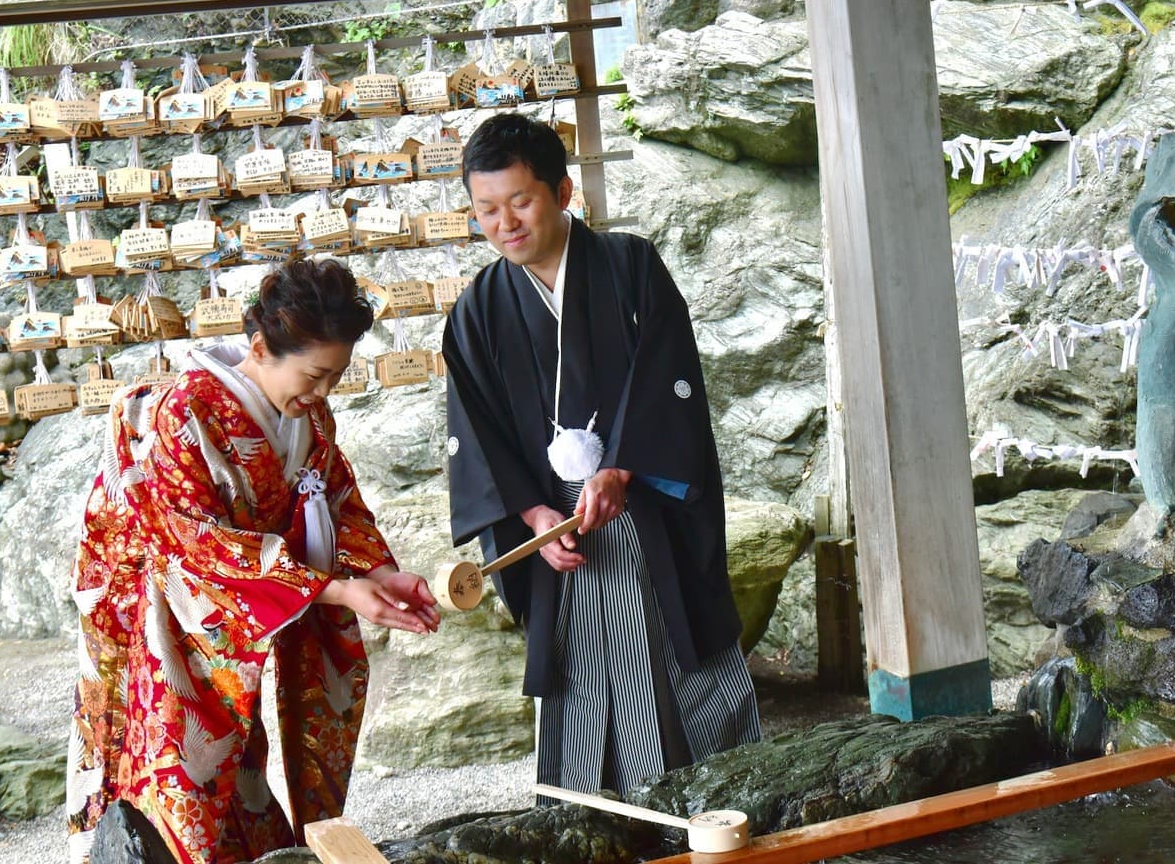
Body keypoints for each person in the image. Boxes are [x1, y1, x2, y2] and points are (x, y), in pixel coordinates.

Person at [67, 259, 440, 864]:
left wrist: (380, 574)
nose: (322, 393)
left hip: (248, 601)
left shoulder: (307, 415)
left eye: (334, 377)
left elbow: (335, 498)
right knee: (183, 762)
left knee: (240, 759)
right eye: (314, 375)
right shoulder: (185, 412)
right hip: (175, 609)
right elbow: (200, 544)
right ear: (261, 347)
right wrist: (336, 590)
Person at [443, 113, 760, 798]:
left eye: (520, 201)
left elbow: (671, 375)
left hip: (646, 506)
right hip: (556, 535)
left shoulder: (629, 266)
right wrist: (531, 518)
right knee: (580, 675)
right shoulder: (477, 311)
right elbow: (478, 432)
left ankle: (719, 802)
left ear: (562, 192)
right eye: (486, 209)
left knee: (676, 658)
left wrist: (619, 468)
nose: (504, 223)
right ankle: (590, 819)